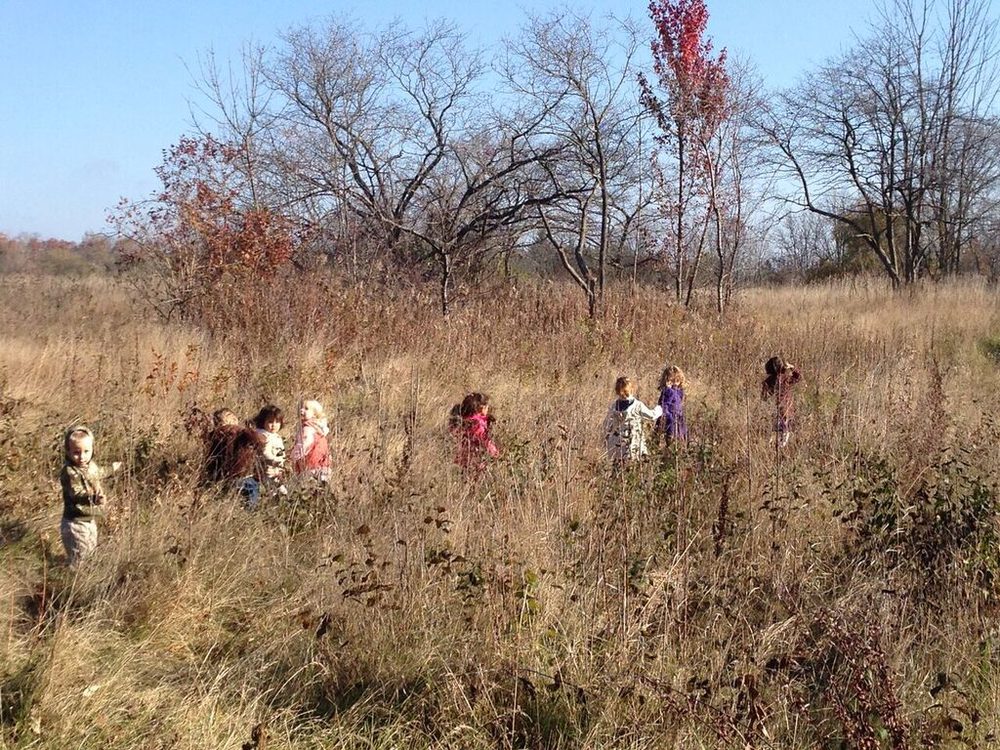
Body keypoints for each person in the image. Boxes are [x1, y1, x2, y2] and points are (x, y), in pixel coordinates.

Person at [60, 425, 121, 565]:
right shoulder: (70, 472)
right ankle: (75, 580)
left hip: (89, 518)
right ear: (68, 452)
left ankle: (84, 572)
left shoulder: (90, 466)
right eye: (76, 452)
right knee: (79, 556)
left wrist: (112, 468)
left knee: (90, 550)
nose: (82, 456)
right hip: (75, 521)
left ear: (92, 450)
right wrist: (94, 497)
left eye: (86, 451)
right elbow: (76, 493)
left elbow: (99, 472)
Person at [203, 408, 265, 507]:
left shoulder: (213, 436)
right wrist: (251, 431)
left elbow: (209, 456)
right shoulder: (241, 432)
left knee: (221, 496)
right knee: (251, 493)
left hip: (220, 476)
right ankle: (250, 511)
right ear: (234, 420)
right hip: (242, 475)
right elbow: (259, 441)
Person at [604, 376, 663, 465]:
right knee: (633, 465)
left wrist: (607, 437)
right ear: (631, 389)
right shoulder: (637, 405)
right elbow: (652, 416)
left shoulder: (614, 406)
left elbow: (607, 424)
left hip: (617, 442)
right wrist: (660, 408)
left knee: (618, 467)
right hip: (633, 441)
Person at [449, 392, 499, 472]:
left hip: (461, 462)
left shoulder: (462, 421)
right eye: (487, 407)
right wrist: (496, 455)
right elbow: (486, 443)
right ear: (482, 408)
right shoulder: (477, 425)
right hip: (476, 464)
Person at [762, 356, 802, 448]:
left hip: (773, 409)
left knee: (774, 430)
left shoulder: (767, 381)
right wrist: (792, 367)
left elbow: (764, 397)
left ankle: (772, 448)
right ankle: (781, 448)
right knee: (784, 431)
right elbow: (798, 377)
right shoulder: (786, 379)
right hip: (786, 409)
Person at [290, 399, 331, 481]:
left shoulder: (308, 429)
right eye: (301, 408)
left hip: (310, 466)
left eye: (306, 408)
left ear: (314, 414)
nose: (302, 410)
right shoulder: (319, 428)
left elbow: (304, 445)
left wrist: (291, 457)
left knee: (307, 489)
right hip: (323, 465)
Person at [252, 404, 287, 495]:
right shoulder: (263, 436)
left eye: (277, 422)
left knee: (279, 489)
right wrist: (274, 461)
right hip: (267, 468)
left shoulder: (276, 436)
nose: (274, 425)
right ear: (263, 421)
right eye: (270, 422)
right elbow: (265, 452)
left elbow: (280, 451)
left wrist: (283, 462)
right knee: (276, 490)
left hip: (277, 469)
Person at [657, 365, 688, 446]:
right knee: (669, 440)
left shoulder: (679, 391)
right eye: (672, 381)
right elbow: (664, 405)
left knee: (681, 438)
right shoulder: (667, 392)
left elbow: (679, 403)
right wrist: (668, 390)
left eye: (677, 380)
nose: (675, 383)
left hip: (678, 418)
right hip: (669, 419)